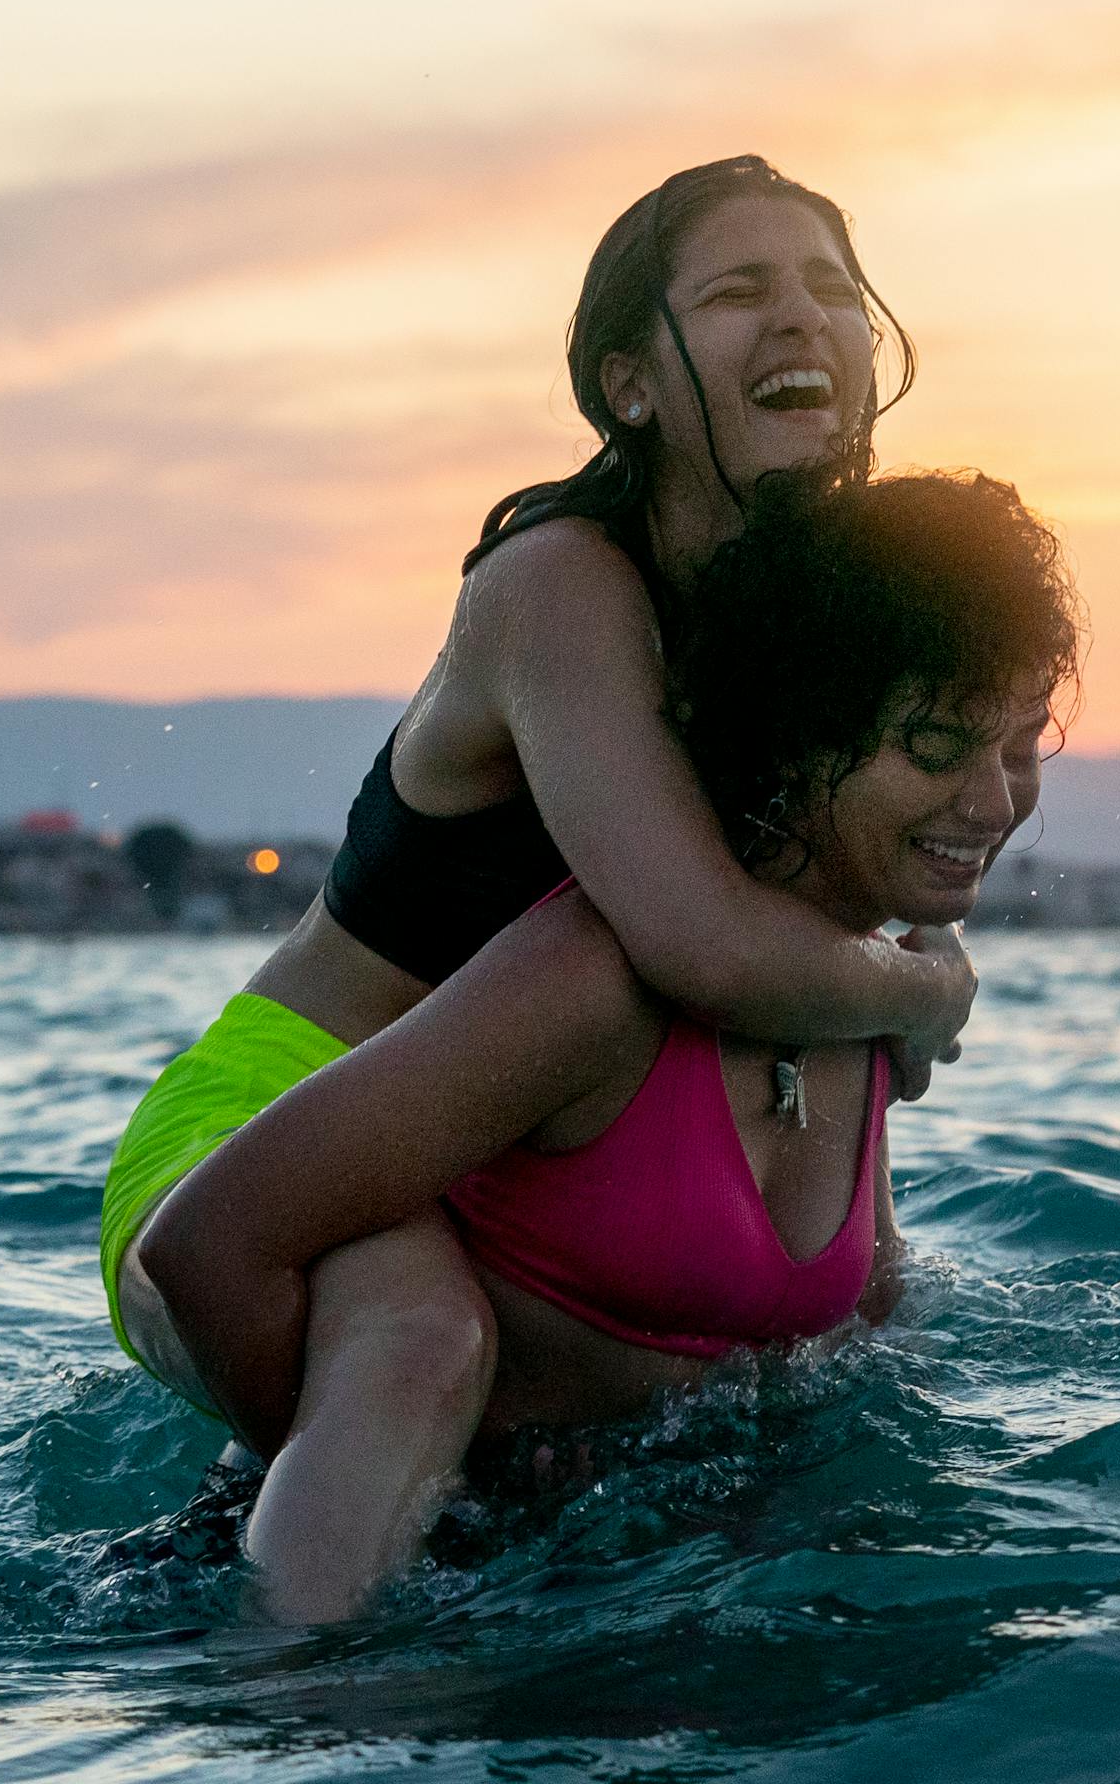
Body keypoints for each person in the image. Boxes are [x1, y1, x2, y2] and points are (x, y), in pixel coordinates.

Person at [97, 158, 980, 1475]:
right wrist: (920, 994)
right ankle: (264, 1660)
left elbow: (810, 957)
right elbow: (713, 950)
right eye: (740, 292)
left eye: (832, 289)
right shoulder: (557, 588)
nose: (802, 319)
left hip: (503, 1177)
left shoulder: (814, 628)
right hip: (274, 1135)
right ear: (628, 383)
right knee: (418, 1339)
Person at [139, 467, 1082, 1621]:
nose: (992, 801)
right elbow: (210, 1245)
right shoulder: (589, 980)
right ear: (799, 733)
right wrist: (415, 1484)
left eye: (1022, 744)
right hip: (372, 1600)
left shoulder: (863, 994)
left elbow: (858, 1336)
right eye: (936, 746)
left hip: (612, 1597)